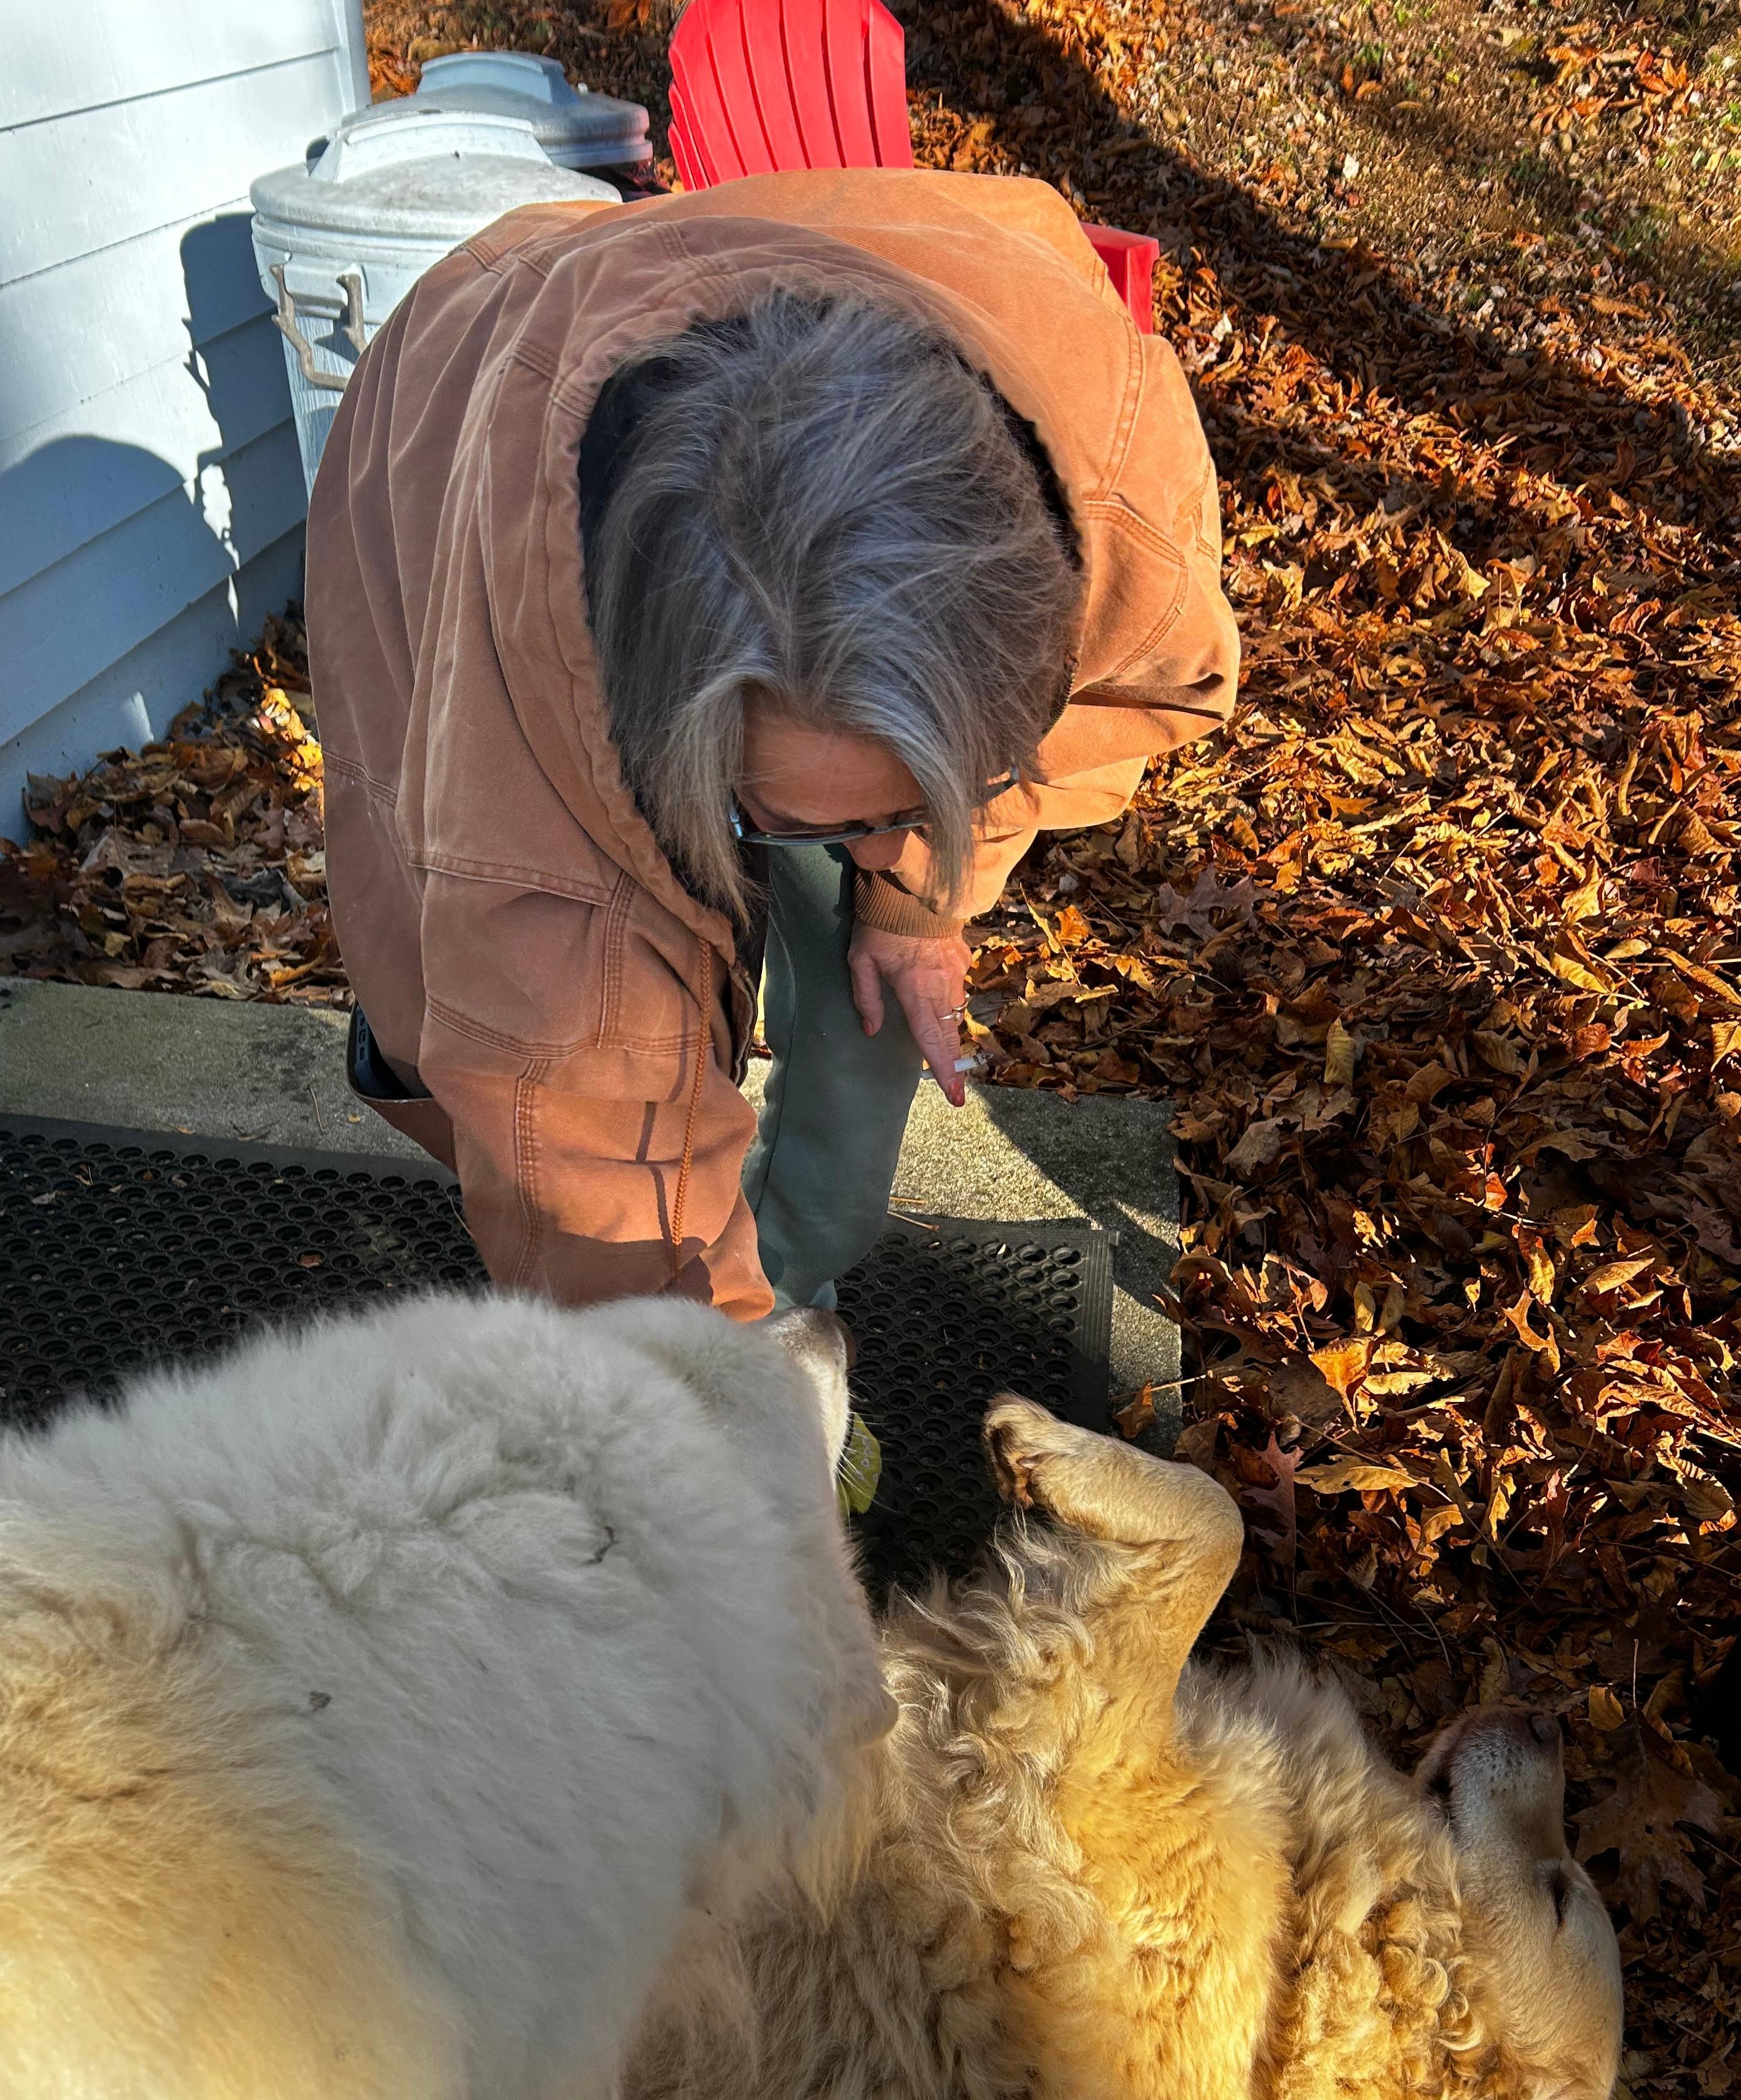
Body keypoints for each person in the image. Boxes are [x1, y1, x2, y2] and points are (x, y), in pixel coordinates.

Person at [307, 167, 1237, 1317]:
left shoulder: (1118, 488)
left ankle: (797, 1253)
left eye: (908, 802)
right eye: (792, 817)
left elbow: (1111, 702)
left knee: (864, 970)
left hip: (828, 314)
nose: (878, 846)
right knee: (557, 1065)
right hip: (451, 406)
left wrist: (919, 902)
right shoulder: (534, 775)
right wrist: (731, 1403)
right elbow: (596, 1180)